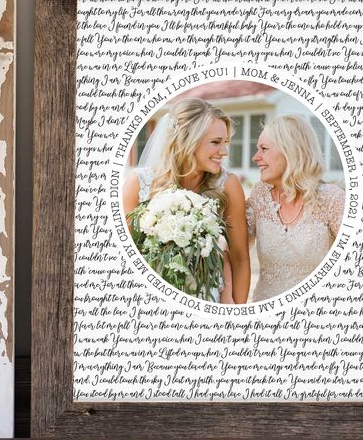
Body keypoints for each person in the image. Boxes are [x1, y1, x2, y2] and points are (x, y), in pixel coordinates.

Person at [122, 98, 250, 304]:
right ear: (187, 141)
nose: (224, 152)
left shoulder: (228, 185)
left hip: (211, 298)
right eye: (216, 142)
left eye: (226, 142)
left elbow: (240, 257)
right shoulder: (138, 183)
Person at [247, 115, 345, 301]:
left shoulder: (332, 199)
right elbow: (233, 249)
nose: (255, 157)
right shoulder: (259, 195)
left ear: (291, 151)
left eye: (264, 149)